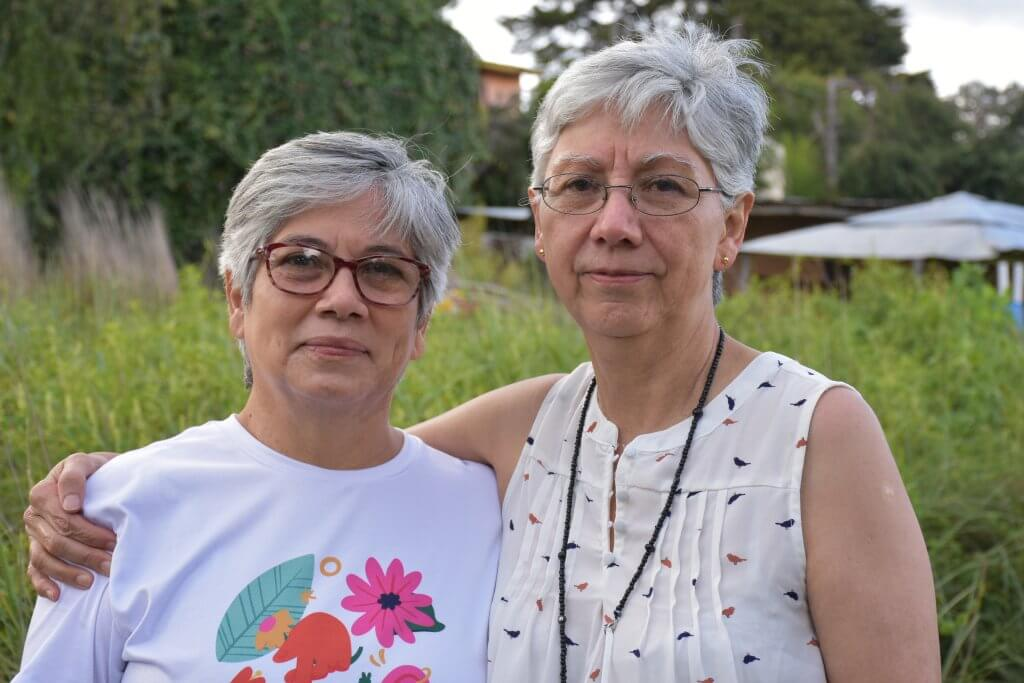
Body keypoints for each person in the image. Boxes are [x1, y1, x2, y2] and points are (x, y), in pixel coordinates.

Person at [23, 25, 941, 682]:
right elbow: (318, 460)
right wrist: (111, 484)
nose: (615, 224)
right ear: (542, 222)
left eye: (663, 187)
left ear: (733, 223)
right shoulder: (528, 429)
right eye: (582, 186)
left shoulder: (817, 436)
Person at [15, 131, 500, 682]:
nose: (341, 300)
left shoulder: (494, 515)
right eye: (301, 261)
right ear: (238, 299)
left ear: (422, 322)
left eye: (384, 270)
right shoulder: (115, 515)